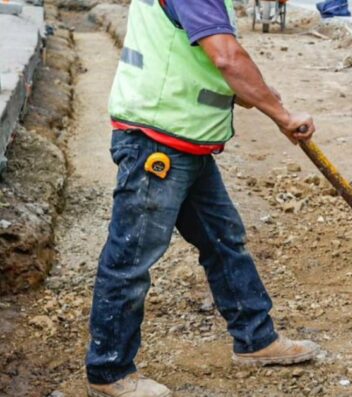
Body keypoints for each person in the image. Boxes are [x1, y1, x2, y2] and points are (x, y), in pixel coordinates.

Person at [86, 1, 319, 396]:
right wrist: (281, 115)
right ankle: (109, 372)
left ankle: (255, 339)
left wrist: (259, 95)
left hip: (183, 140)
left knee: (224, 240)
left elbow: (203, 57)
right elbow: (226, 57)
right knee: (130, 258)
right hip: (157, 143)